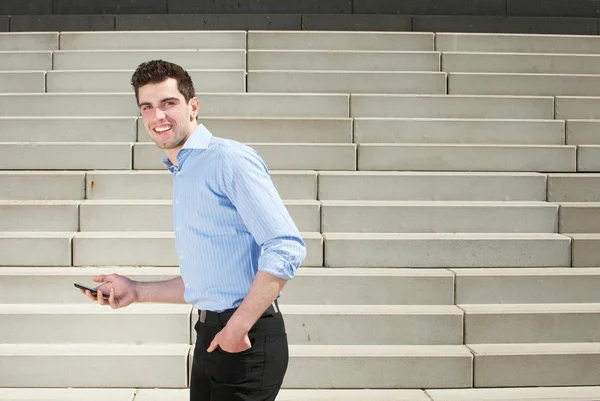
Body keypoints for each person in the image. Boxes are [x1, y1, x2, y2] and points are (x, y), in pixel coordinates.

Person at [80, 59, 307, 401]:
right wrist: (136, 290)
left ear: (193, 106)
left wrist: (237, 327)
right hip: (210, 335)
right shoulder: (184, 170)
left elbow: (285, 246)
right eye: (148, 107)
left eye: (168, 103)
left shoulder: (227, 159)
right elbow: (208, 281)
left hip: (245, 338)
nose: (158, 117)